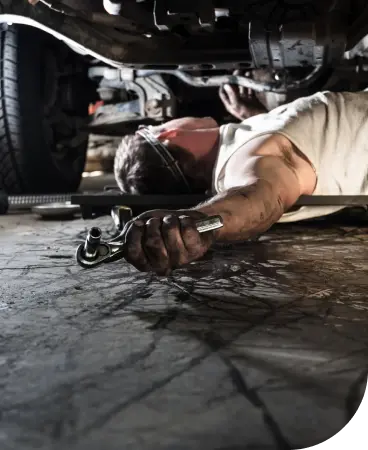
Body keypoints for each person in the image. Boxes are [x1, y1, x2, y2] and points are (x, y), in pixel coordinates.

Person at [114, 90, 368, 275]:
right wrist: (195, 223)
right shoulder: (239, 163)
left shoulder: (240, 143)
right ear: (168, 134)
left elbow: (304, 142)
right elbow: (260, 195)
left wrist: (254, 115)